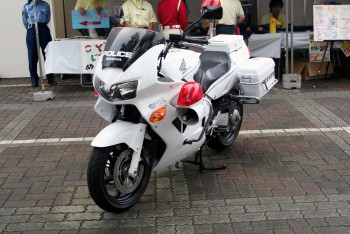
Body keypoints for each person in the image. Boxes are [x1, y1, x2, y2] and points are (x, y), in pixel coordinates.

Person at [22, 0, 55, 87]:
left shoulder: (45, 5)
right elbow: (25, 20)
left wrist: (41, 26)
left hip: (43, 28)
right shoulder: (26, 6)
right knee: (32, 55)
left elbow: (48, 18)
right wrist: (31, 29)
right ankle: (34, 80)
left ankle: (50, 78)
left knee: (47, 54)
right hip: (32, 29)